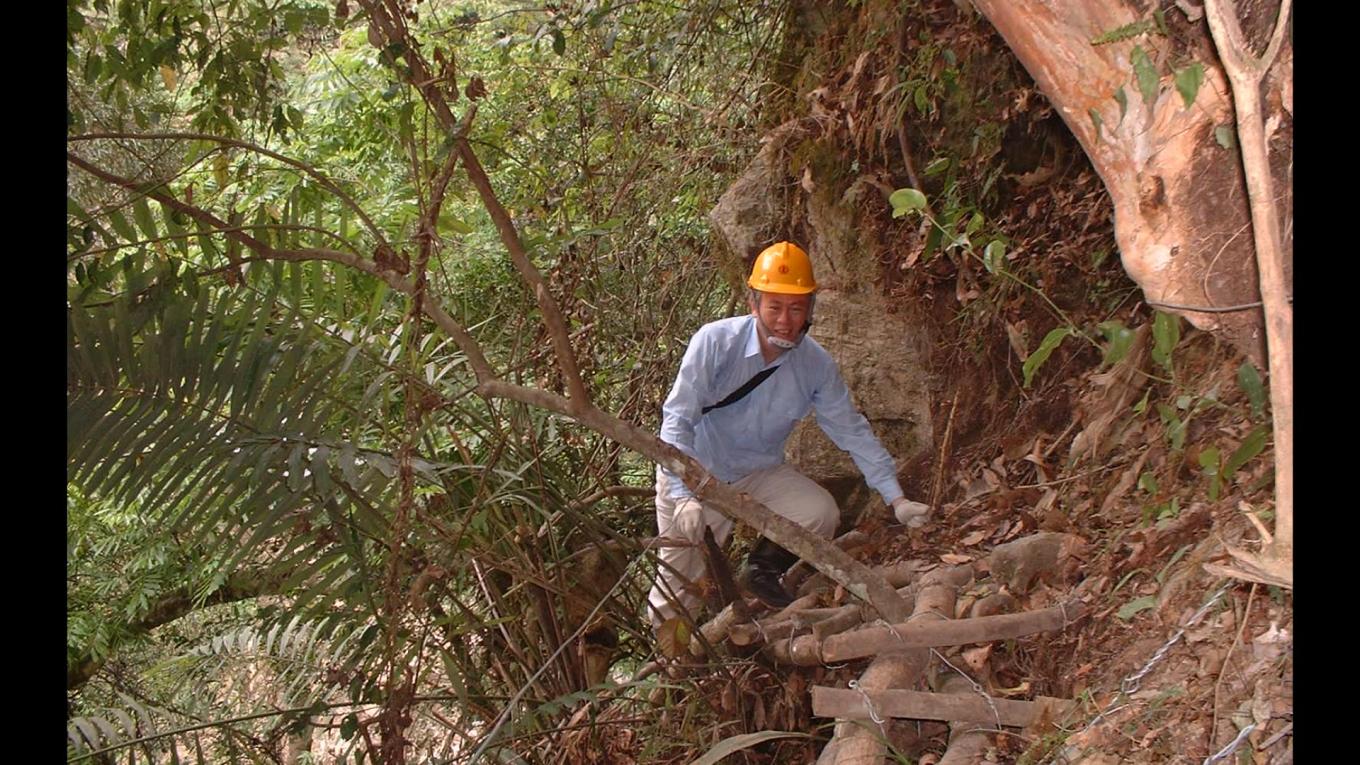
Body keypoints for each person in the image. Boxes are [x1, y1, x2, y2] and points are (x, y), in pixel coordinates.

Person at [648, 241, 930, 629]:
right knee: (678, 588)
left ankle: (762, 569)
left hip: (759, 471)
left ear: (810, 310)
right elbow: (676, 420)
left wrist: (896, 499)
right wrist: (682, 496)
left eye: (796, 307)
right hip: (697, 471)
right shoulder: (715, 342)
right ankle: (671, 669)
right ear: (754, 304)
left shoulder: (815, 364)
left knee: (820, 514)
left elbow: (851, 429)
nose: (785, 319)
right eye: (775, 306)